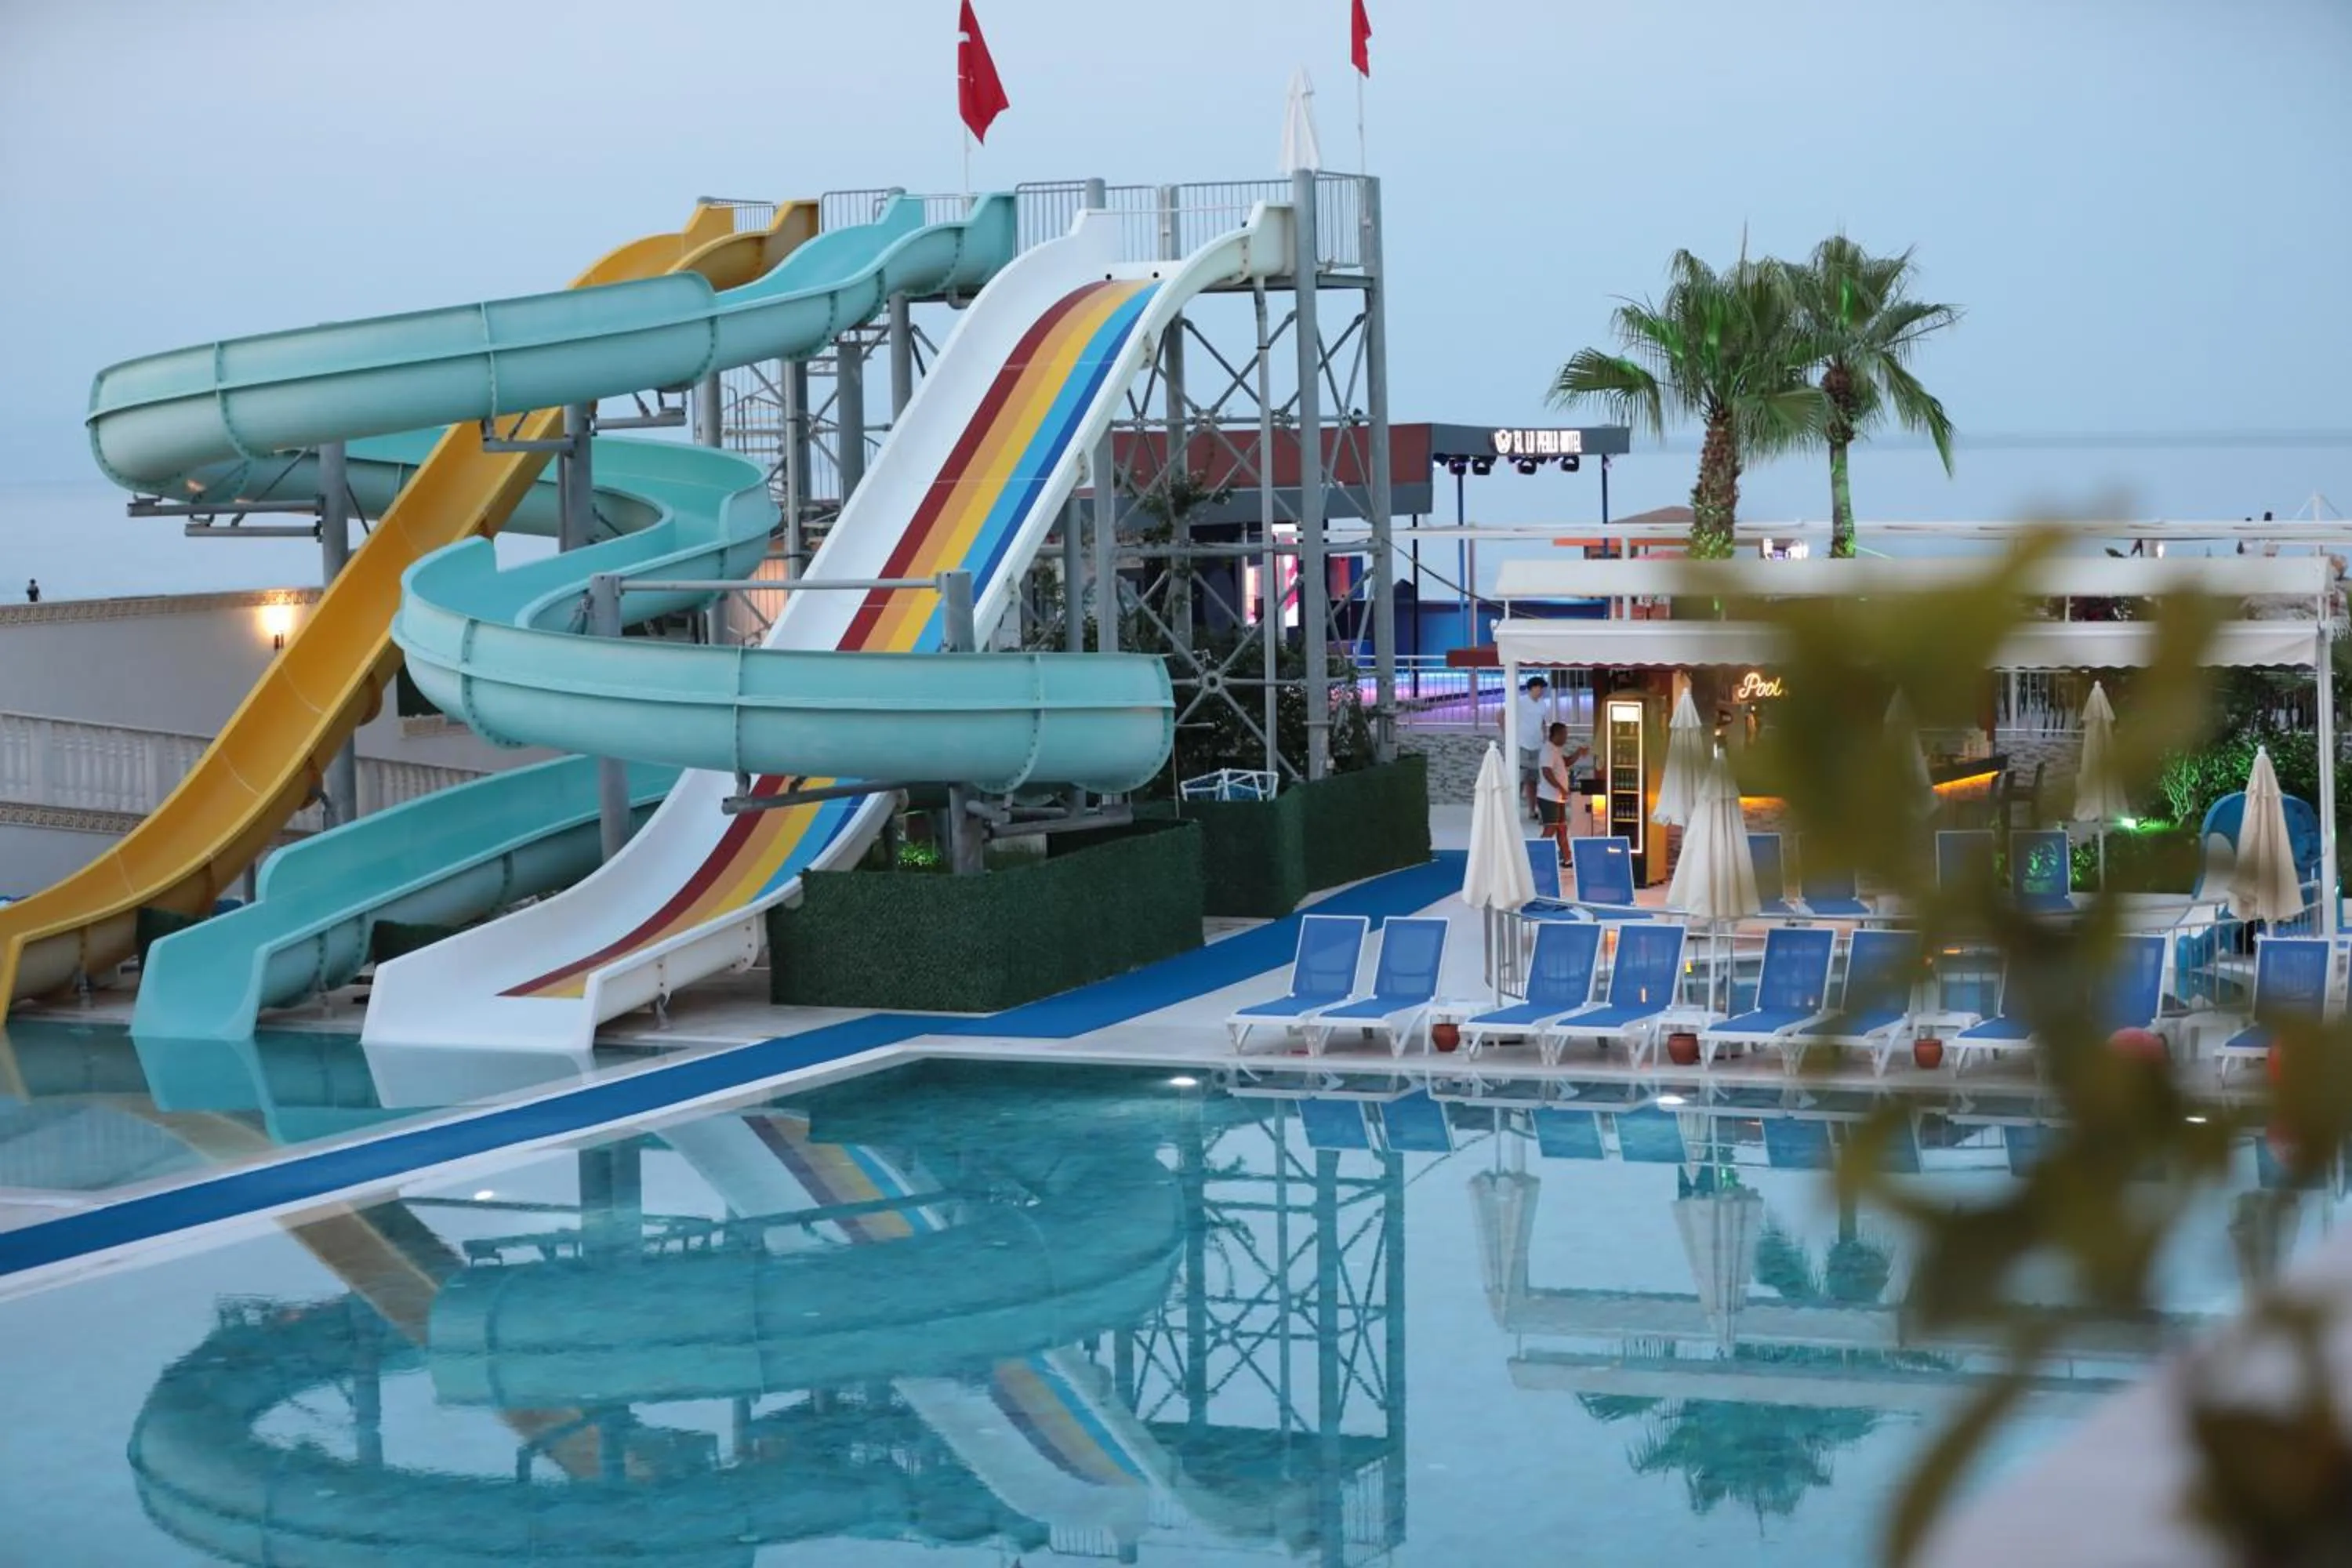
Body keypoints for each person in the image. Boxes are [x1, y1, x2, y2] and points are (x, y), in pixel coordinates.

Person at [1504, 675, 1550, 818]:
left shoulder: (1542, 704)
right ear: (1533, 687)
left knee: (1534, 781)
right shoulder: (1520, 702)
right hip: (1522, 745)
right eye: (1540, 688)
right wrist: (1508, 735)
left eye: (1543, 688)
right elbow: (1501, 715)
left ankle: (1532, 810)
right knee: (1519, 779)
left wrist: (1545, 736)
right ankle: (1510, 812)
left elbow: (1542, 721)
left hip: (1537, 745)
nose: (1541, 691)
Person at [1537, 722, 1580, 863]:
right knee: (1551, 827)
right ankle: (1537, 856)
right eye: (1564, 735)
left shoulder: (1556, 750)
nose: (1566, 738)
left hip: (1558, 798)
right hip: (1548, 797)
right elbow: (1546, 772)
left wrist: (1578, 753)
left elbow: (1565, 762)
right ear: (1556, 734)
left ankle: (1567, 857)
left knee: (1562, 827)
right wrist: (1561, 788)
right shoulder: (1548, 750)